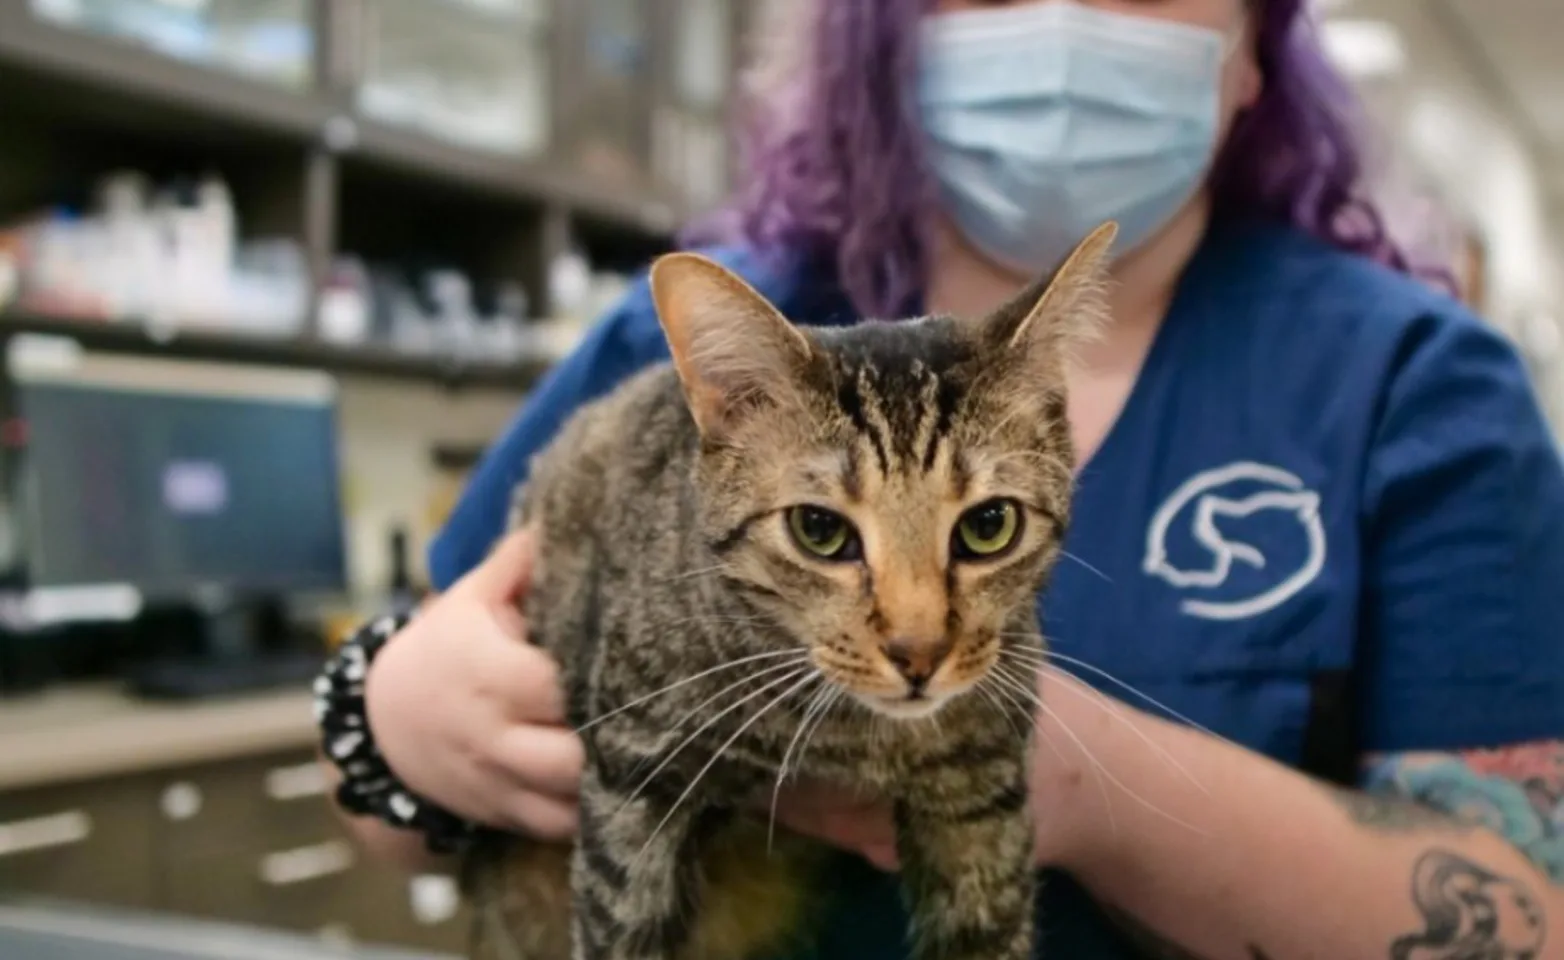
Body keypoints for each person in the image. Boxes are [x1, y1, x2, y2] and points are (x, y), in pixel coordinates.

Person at [317, 0, 1564, 957]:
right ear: (890, 39)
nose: (1070, 25)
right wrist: (392, 722)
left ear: (1252, 54)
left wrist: (1091, 788)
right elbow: (373, 817)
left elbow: (1532, 917)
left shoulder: (1412, 382)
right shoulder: (693, 350)